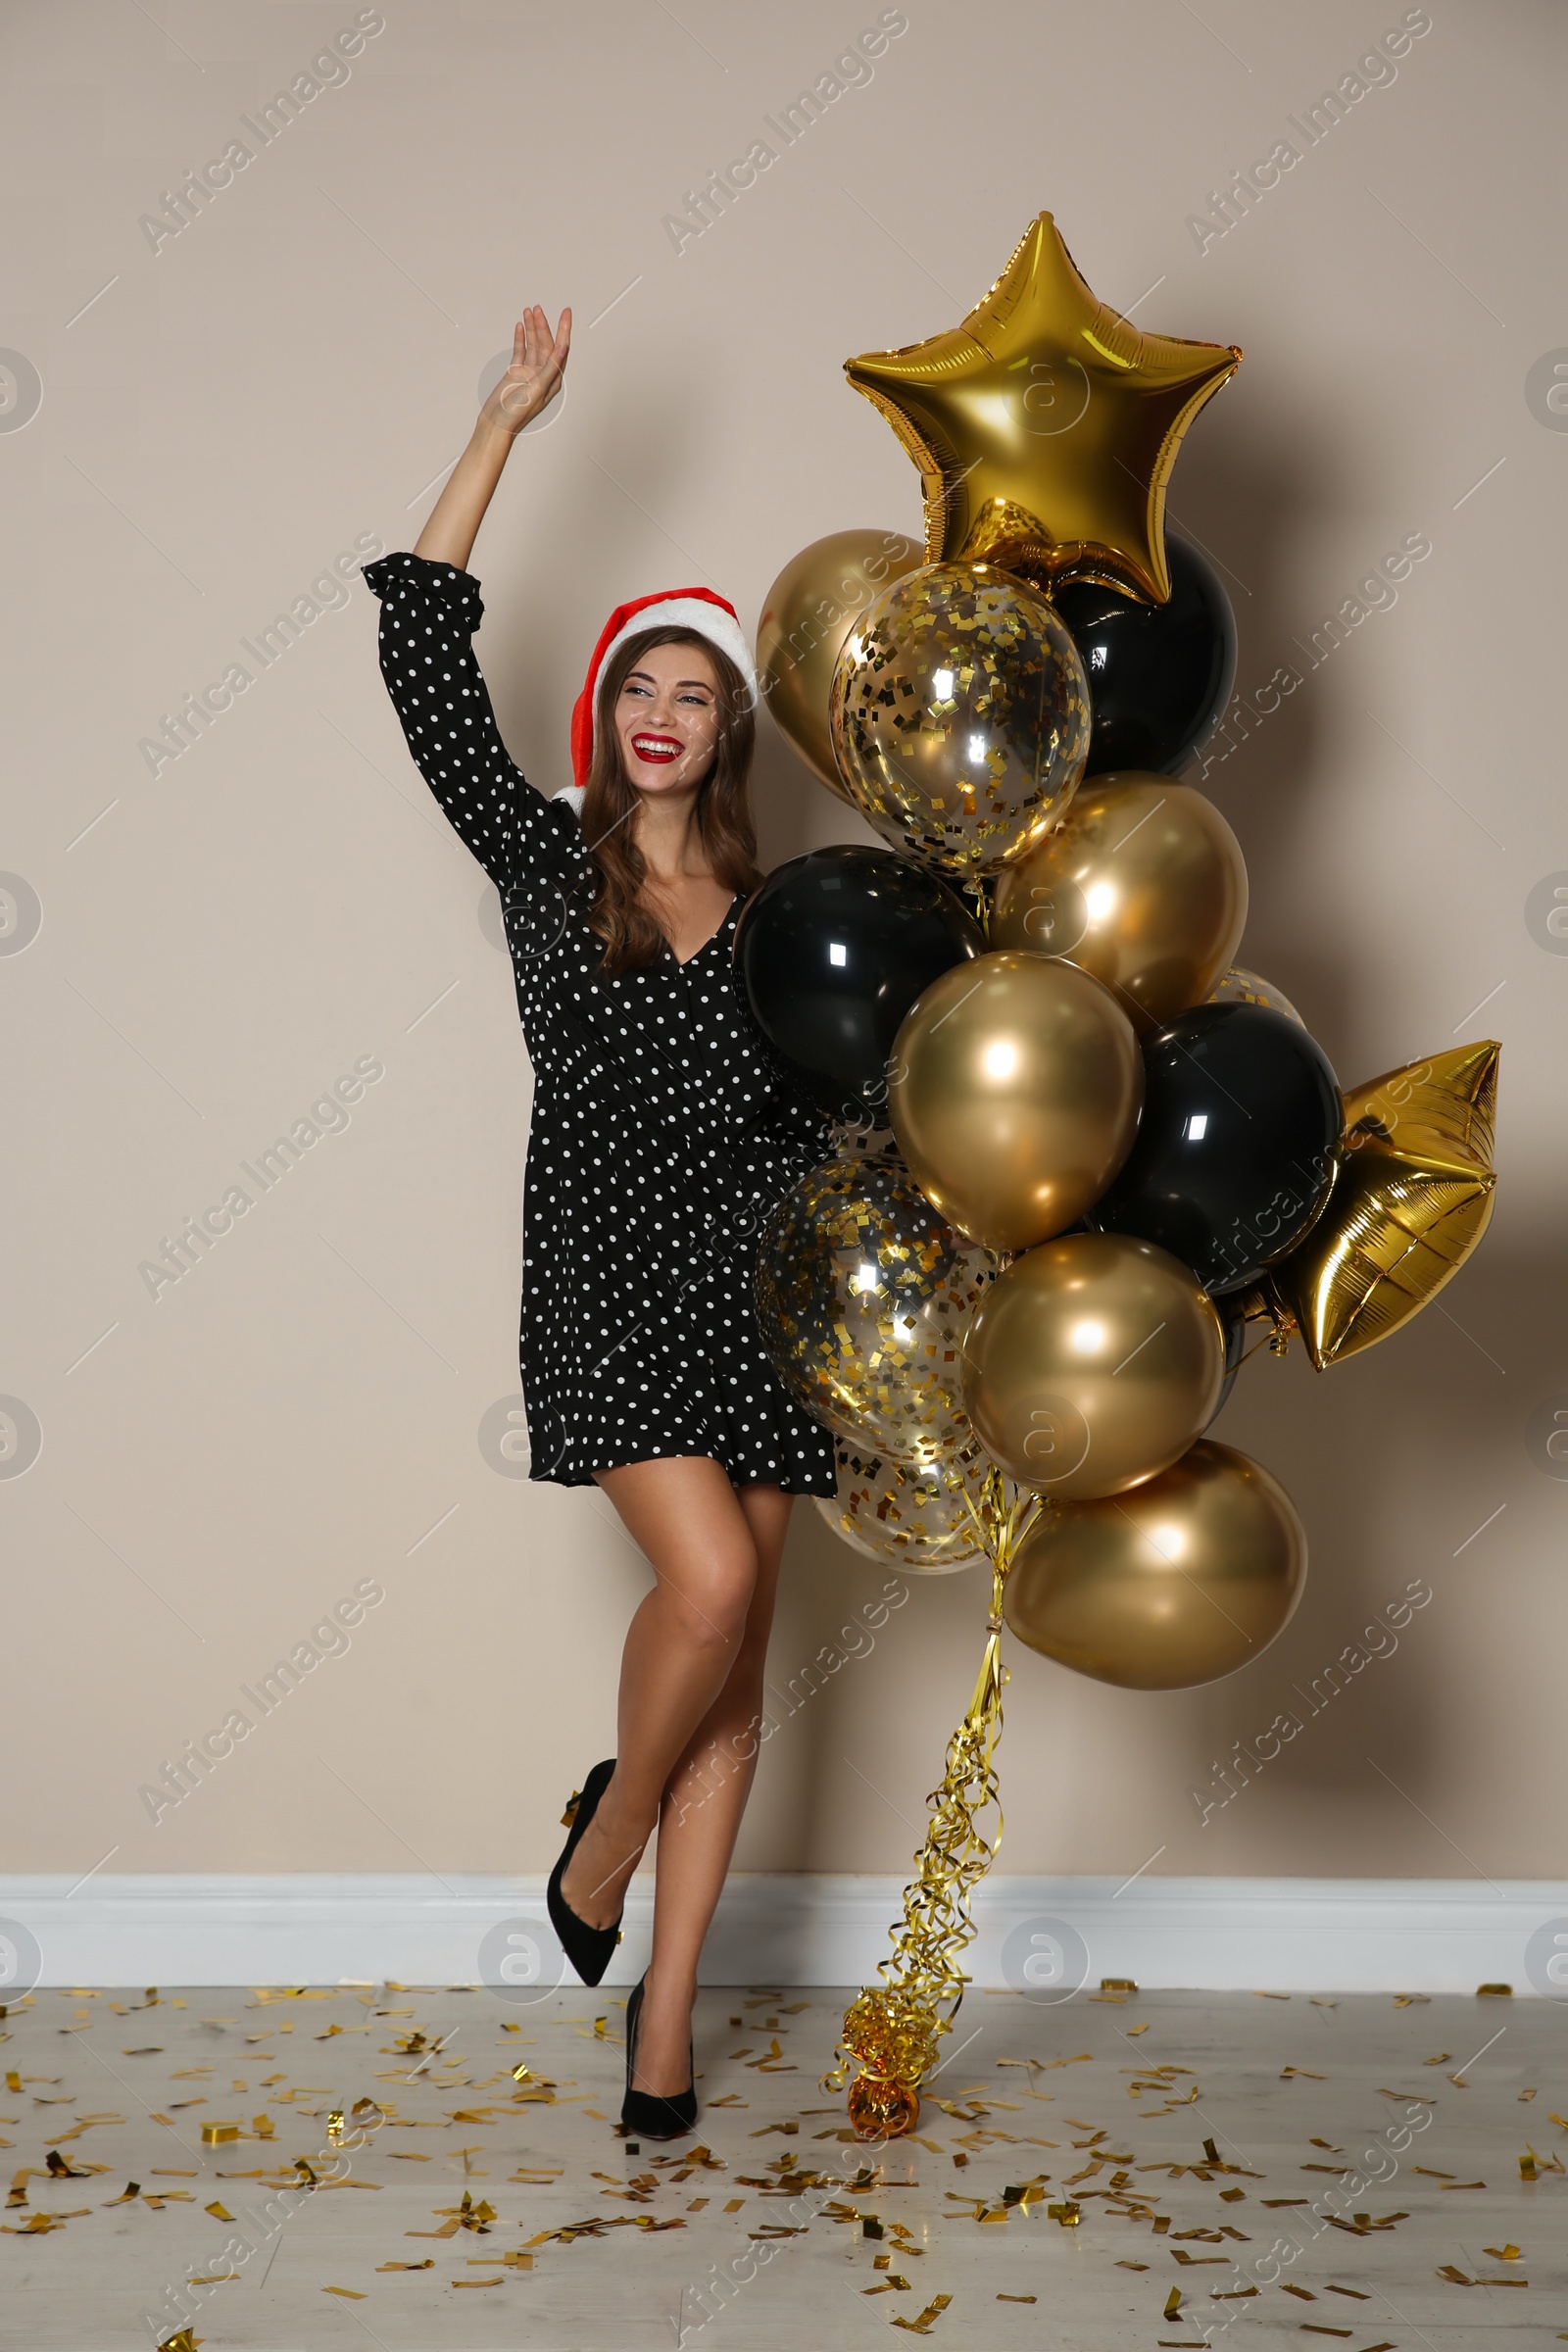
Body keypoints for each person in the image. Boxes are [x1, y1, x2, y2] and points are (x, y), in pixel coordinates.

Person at [363, 308, 835, 2141]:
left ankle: (666, 2023)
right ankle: (603, 1842)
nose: (657, 713)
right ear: (609, 712)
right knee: (701, 1592)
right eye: (639, 683)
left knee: (744, 1650)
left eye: (691, 692)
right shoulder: (547, 852)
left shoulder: (799, 903)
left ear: (724, 726)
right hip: (610, 1275)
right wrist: (502, 420)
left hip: (776, 1283)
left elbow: (878, 1084)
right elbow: (417, 634)